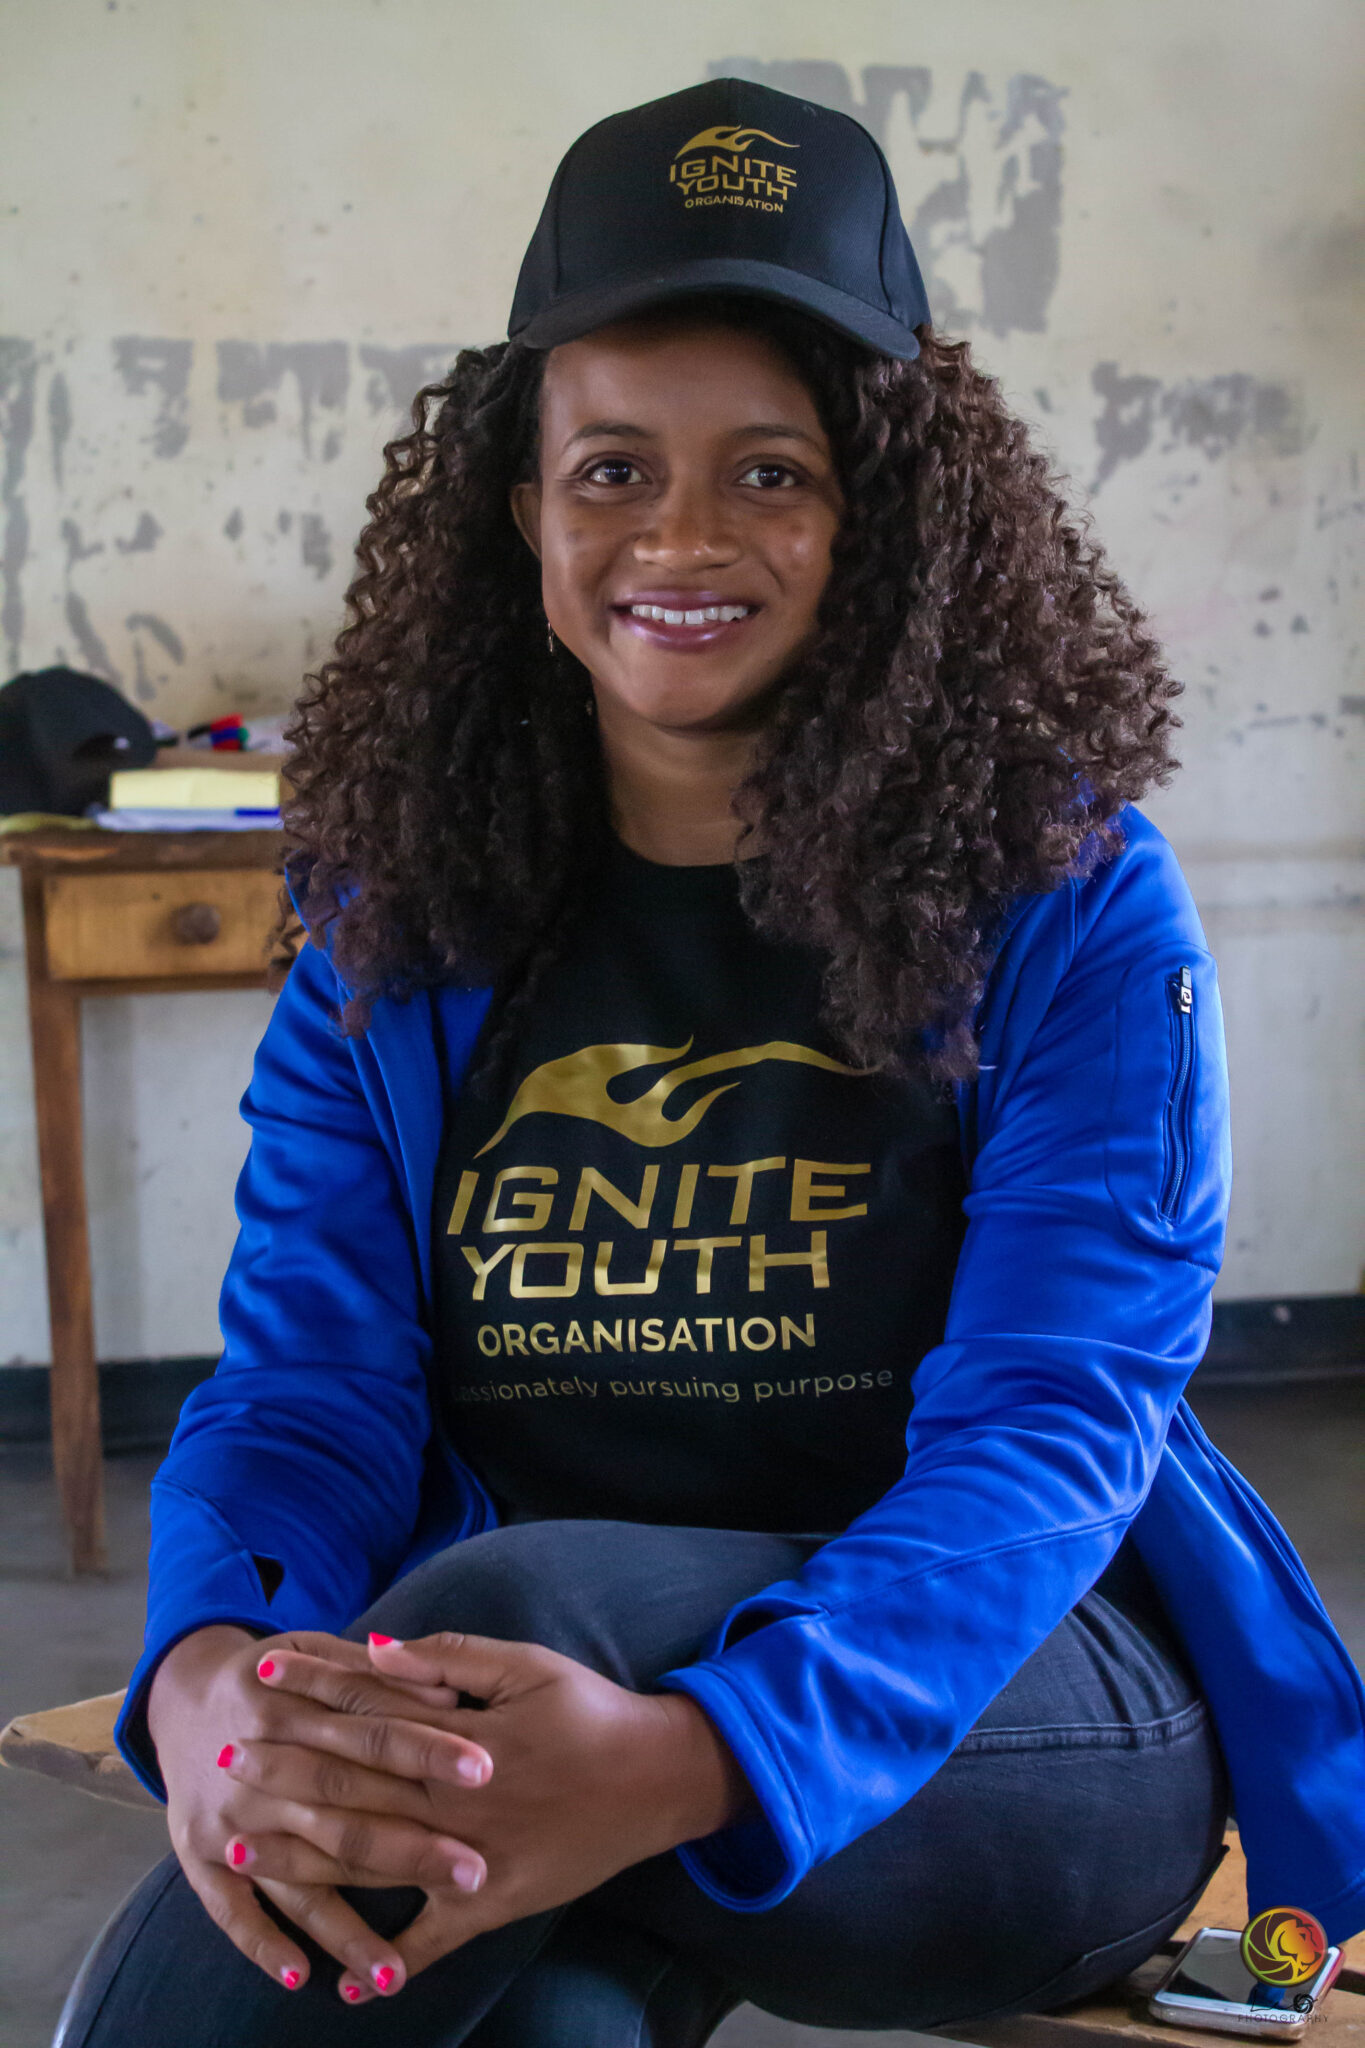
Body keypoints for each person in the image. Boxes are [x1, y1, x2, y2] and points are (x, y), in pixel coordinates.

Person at [60, 77, 1364, 2048]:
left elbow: (1047, 1429)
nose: (680, 534)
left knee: (483, 1638)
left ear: (875, 515)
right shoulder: (400, 917)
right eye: (612, 468)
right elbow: (308, 1388)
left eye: (769, 471)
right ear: (525, 512)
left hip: (1001, 1725)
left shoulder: (1069, 901)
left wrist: (689, 1752)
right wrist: (205, 1679)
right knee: (529, 1985)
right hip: (520, 1718)